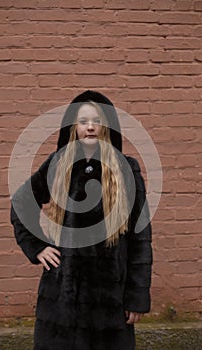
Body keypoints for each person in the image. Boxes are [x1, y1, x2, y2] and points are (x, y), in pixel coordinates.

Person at [10, 90, 153, 350]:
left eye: (96, 121)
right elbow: (22, 203)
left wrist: (137, 296)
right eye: (83, 121)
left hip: (110, 302)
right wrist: (36, 246)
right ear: (73, 127)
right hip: (62, 301)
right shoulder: (57, 163)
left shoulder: (126, 170)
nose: (90, 127)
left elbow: (140, 237)